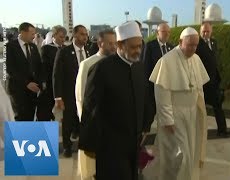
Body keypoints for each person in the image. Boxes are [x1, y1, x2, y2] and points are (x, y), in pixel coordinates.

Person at [78, 21, 155, 180]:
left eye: (140, 46)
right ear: (120, 44)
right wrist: (90, 143)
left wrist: (146, 124)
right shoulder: (101, 69)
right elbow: (91, 108)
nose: (138, 51)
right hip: (110, 144)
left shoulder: (139, 67)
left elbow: (146, 98)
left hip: (134, 141)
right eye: (133, 47)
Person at [145, 27, 209, 180]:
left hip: (192, 113)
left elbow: (199, 89)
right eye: (190, 45)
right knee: (179, 155)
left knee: (191, 151)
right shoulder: (167, 61)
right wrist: (167, 119)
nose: (193, 49)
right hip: (175, 114)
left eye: (195, 45)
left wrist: (200, 109)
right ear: (181, 42)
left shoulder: (196, 59)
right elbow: (162, 93)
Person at [75, 29, 116, 180]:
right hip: (93, 123)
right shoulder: (87, 64)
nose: (114, 47)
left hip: (112, 124)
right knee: (92, 166)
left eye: (115, 43)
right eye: (110, 43)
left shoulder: (117, 63)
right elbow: (80, 97)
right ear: (100, 43)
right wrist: (85, 122)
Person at [53, 25, 89, 157]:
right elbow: (57, 75)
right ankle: (67, 147)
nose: (85, 37)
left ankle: (83, 145)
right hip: (69, 94)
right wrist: (58, 97)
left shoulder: (89, 51)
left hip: (86, 94)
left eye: (86, 34)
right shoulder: (64, 52)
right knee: (68, 122)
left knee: (84, 121)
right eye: (81, 34)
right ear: (74, 35)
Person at [195, 22, 230, 137]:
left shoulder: (214, 43)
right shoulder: (197, 44)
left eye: (208, 31)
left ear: (211, 32)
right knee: (199, 109)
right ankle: (198, 132)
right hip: (202, 83)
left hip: (214, 82)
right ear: (200, 32)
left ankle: (222, 130)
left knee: (218, 106)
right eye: (203, 31)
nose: (205, 33)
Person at [6, 22, 42, 121]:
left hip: (32, 90)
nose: (34, 36)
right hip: (18, 90)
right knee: (21, 117)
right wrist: (26, 83)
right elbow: (10, 69)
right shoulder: (9, 47)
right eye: (32, 33)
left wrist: (39, 83)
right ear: (23, 32)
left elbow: (38, 66)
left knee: (30, 116)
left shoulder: (33, 47)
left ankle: (28, 135)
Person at [37, 25, 67, 121]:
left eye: (64, 37)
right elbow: (43, 67)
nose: (63, 39)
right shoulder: (46, 48)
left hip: (62, 85)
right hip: (49, 85)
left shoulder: (66, 49)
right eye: (60, 37)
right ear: (54, 36)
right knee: (45, 112)